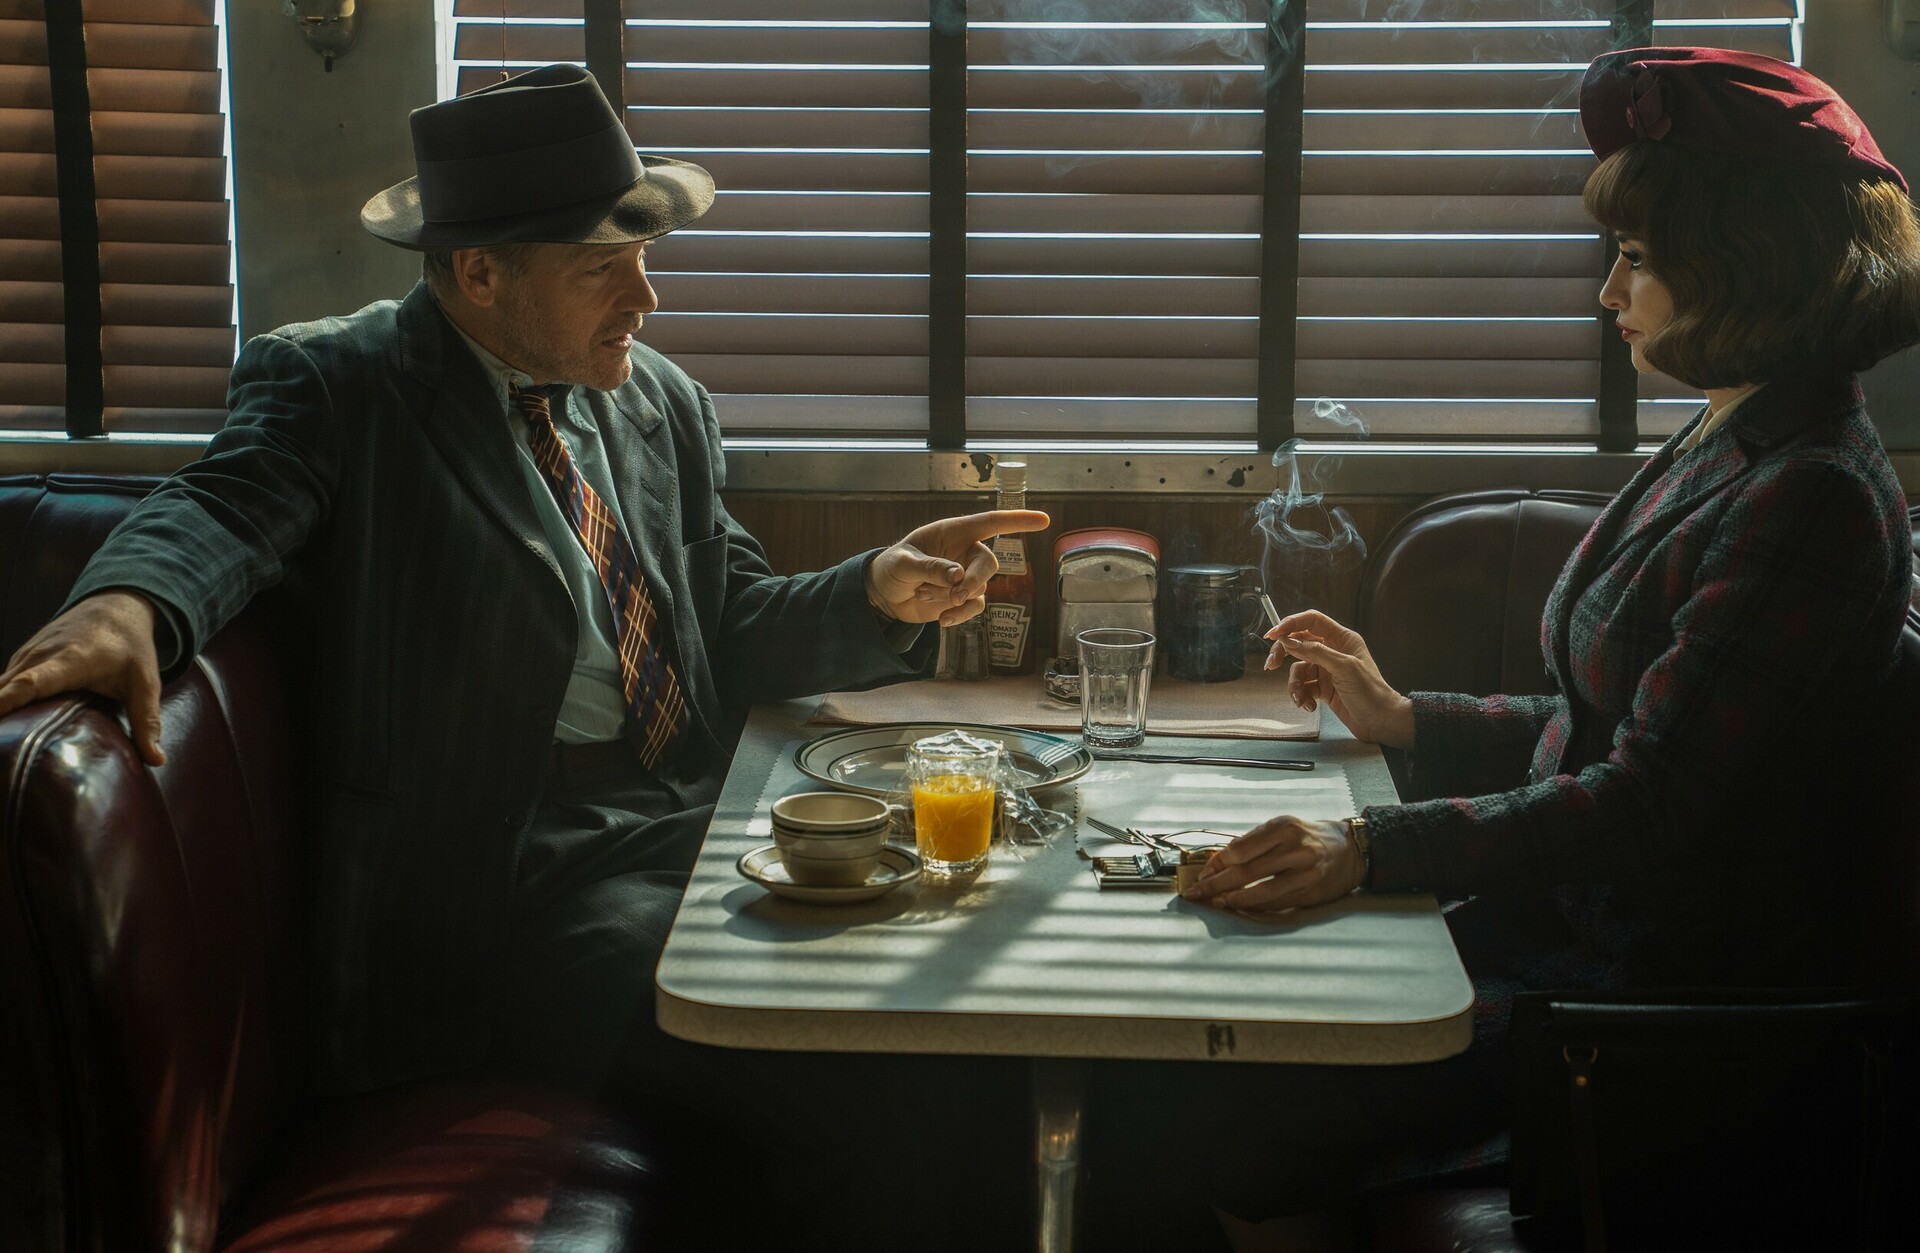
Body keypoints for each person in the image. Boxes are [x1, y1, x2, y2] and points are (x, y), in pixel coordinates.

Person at [0, 64, 1046, 1243]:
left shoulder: (656, 400)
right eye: (603, 266)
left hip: (689, 822)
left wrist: (877, 587)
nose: (645, 297)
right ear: (479, 272)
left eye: (645, 257)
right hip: (508, 896)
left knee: (955, 997)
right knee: (862, 1073)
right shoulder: (339, 384)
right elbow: (223, 505)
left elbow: (730, 621)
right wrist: (129, 602)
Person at [1086, 47, 1920, 1251]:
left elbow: (1647, 797)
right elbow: (1614, 726)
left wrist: (1369, 844)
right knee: (1208, 1006)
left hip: (1637, 1017)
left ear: (1750, 263)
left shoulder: (1812, 495)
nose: (1607, 290)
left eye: (1636, 258)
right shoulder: (1731, 433)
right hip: (1568, 941)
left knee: (1205, 1104)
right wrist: (1404, 717)